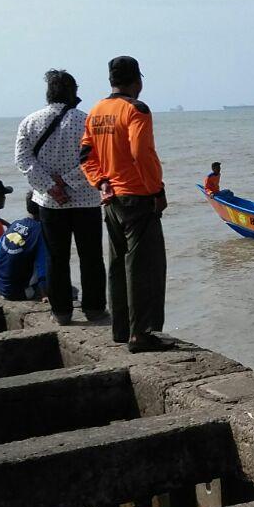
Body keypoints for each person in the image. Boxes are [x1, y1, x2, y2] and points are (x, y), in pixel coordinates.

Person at [80, 55, 170, 353]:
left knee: (118, 265)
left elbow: (85, 156)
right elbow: (141, 153)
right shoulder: (136, 110)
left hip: (110, 198)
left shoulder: (96, 111)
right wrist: (157, 191)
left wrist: (101, 181)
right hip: (137, 197)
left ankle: (121, 329)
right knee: (144, 267)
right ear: (137, 81)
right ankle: (140, 334)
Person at [15, 69, 106, 326]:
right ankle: (95, 308)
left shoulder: (30, 122)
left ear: (48, 93)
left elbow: (22, 159)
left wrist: (49, 185)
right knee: (91, 256)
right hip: (86, 199)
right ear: (74, 93)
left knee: (56, 257)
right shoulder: (87, 121)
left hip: (50, 202)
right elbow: (95, 159)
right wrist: (66, 181)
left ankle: (62, 311)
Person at [0, 192, 50, 301]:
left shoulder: (15, 224)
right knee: (49, 260)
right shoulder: (41, 232)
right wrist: (44, 294)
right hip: (16, 292)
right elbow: (42, 268)